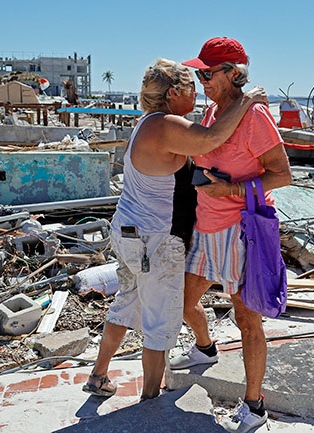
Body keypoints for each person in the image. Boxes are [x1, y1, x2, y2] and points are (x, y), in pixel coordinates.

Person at [82, 58, 267, 401]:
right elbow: (211, 138)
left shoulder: (146, 123)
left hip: (128, 233)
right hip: (155, 239)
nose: (197, 94)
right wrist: (247, 99)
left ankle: (98, 375)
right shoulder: (166, 125)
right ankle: (150, 402)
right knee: (159, 324)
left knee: (127, 302)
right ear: (174, 93)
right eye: (192, 88)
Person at [171, 37, 291, 432]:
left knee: (246, 319)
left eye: (208, 72)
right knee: (185, 302)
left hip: (241, 232)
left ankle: (254, 405)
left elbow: (282, 175)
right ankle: (206, 349)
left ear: (234, 74)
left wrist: (233, 189)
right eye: (198, 72)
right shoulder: (213, 112)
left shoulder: (255, 117)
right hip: (207, 230)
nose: (201, 78)